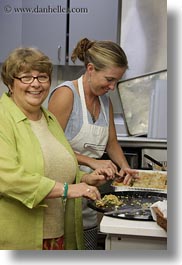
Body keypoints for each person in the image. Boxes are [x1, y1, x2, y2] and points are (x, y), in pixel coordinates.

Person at [0, 47, 116, 250]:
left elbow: (57, 164)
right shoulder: (3, 118)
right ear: (10, 83)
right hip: (19, 236)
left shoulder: (47, 118)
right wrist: (67, 189)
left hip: (56, 233)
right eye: (26, 77)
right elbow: (8, 177)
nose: (36, 84)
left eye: (42, 77)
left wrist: (85, 179)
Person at [48, 38, 138, 249]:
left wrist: (125, 167)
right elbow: (51, 145)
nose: (112, 87)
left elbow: (111, 142)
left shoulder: (105, 101)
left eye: (116, 81)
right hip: (62, 193)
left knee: (86, 245)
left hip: (90, 191)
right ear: (90, 69)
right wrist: (92, 161)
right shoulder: (66, 94)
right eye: (109, 79)